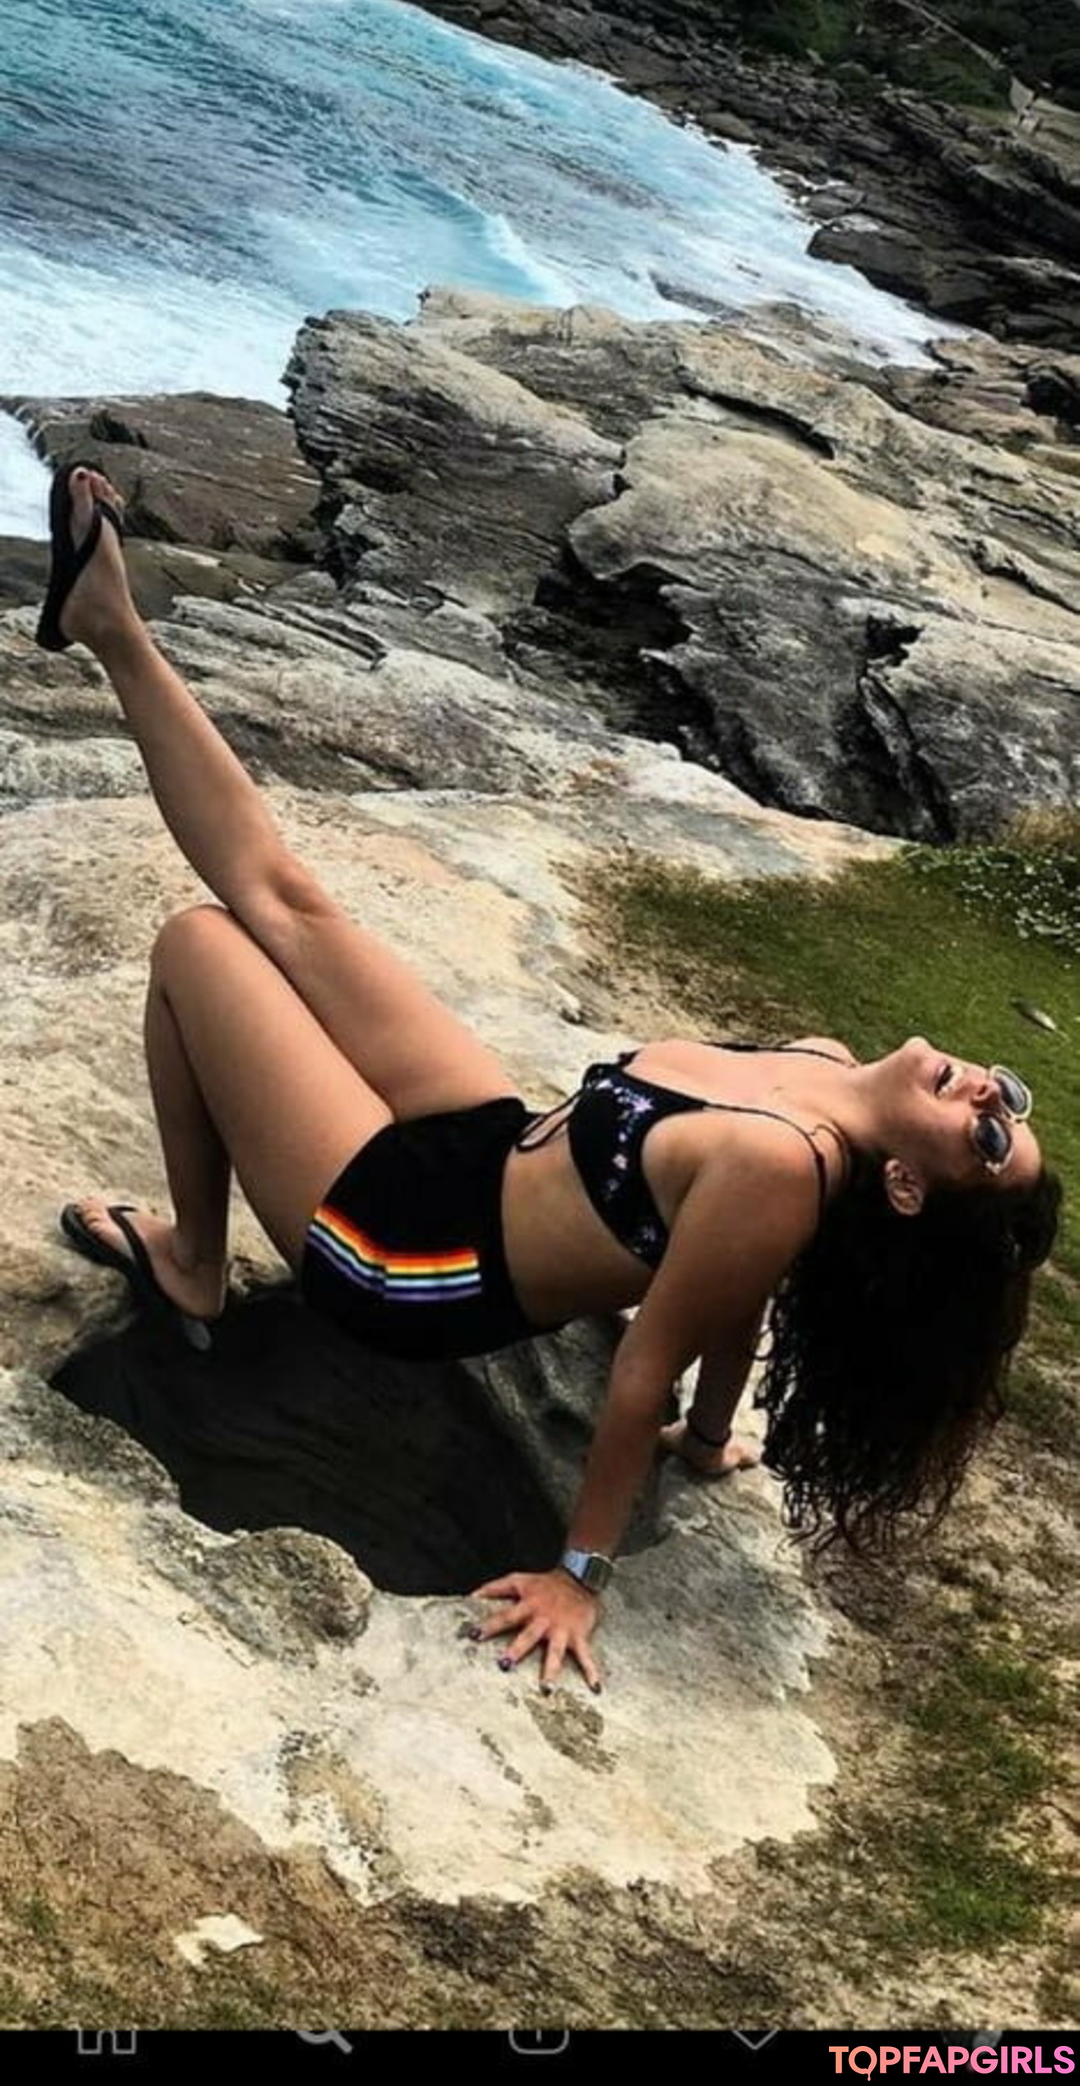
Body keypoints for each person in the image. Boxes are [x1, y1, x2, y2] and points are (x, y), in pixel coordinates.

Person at [37, 465, 1062, 1692]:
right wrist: (712, 1435)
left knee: (199, 943)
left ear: (907, 1187)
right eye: (1010, 1100)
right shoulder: (818, 1073)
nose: (989, 1098)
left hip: (409, 1257)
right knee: (289, 900)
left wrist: (580, 1574)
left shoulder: (783, 1165)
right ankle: (111, 629)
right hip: (486, 1143)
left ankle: (196, 1265)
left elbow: (641, 1370)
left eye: (989, 1143)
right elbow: (739, 1301)